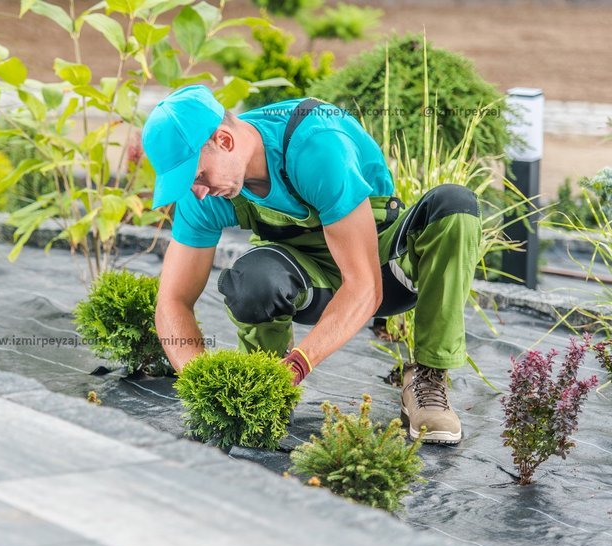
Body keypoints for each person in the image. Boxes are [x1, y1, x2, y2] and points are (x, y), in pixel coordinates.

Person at [141, 85, 482, 444]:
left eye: (196, 176)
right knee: (251, 280)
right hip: (311, 283)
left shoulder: (316, 145)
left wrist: (300, 365)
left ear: (224, 141)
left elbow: (365, 288)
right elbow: (173, 301)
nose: (197, 191)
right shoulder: (206, 192)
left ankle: (428, 377)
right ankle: (266, 384)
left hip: (384, 271)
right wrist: (202, 384)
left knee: (454, 206)